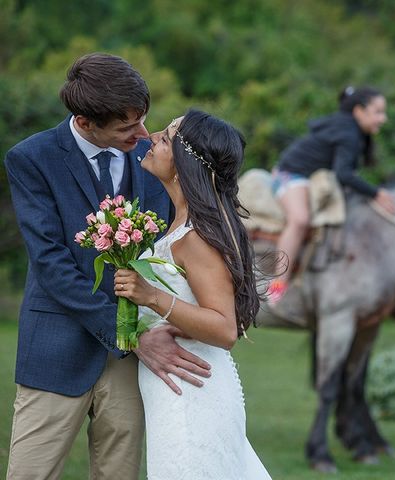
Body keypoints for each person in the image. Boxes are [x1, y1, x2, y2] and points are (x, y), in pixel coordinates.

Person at [4, 53, 210, 480]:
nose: (143, 133)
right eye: (127, 127)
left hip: (132, 363)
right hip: (57, 350)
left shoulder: (154, 160)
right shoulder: (31, 159)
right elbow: (51, 264)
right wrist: (130, 336)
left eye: (143, 120)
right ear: (84, 122)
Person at [114, 110, 271, 479]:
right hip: (178, 388)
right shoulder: (182, 225)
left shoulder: (196, 237)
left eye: (165, 138)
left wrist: (151, 296)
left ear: (186, 162)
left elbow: (224, 329)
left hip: (191, 396)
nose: (151, 136)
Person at [268, 86, 395, 303]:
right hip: (290, 175)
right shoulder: (349, 133)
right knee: (300, 220)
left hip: (310, 178)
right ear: (359, 111)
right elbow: (344, 174)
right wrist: (376, 193)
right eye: (378, 112)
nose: (383, 118)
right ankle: (278, 283)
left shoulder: (352, 131)